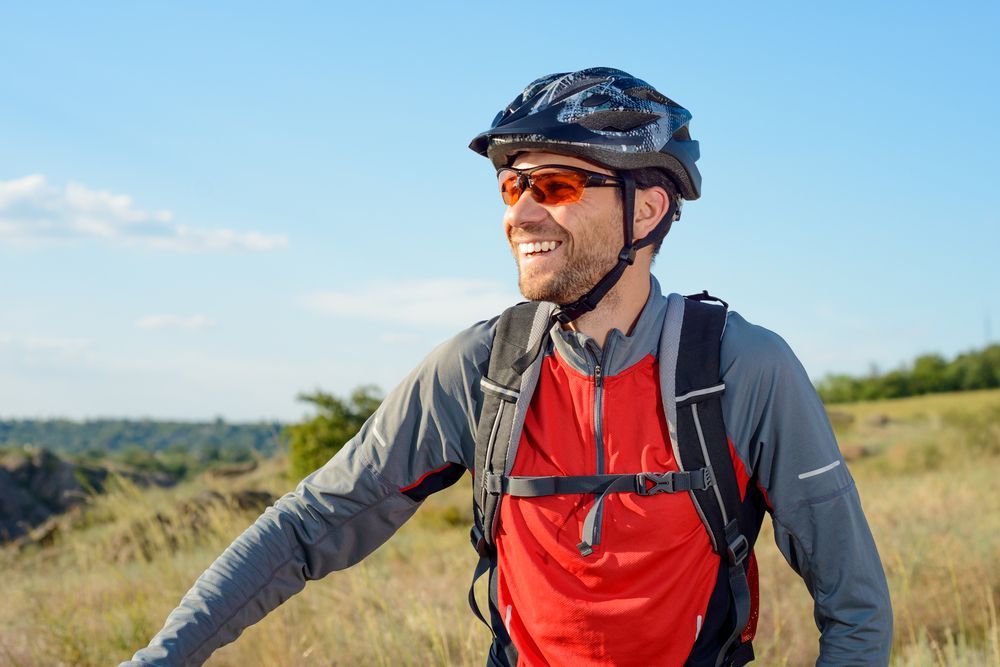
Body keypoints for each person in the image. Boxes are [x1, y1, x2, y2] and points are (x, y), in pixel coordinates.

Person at [121, 67, 892, 666]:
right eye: (510, 186)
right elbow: (307, 527)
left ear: (648, 208)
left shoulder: (742, 369)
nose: (518, 213)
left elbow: (856, 607)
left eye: (553, 186)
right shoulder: (480, 371)